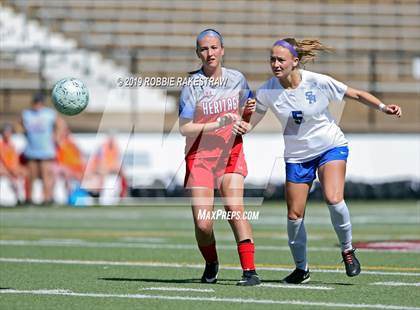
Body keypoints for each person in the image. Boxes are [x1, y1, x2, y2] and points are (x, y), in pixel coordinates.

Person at [233, 38, 402, 284]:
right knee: (294, 215)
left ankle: (347, 249)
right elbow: (250, 124)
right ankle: (302, 269)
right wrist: (241, 124)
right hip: (297, 157)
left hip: (330, 147)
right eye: (272, 59)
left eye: (281, 59)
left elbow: (355, 94)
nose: (276, 64)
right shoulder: (268, 91)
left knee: (333, 198)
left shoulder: (317, 81)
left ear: (295, 61)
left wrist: (383, 107)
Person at [178, 29, 260, 286]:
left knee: (234, 209)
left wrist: (247, 121)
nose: (209, 53)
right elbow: (184, 128)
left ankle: (250, 272)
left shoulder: (237, 79)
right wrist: (215, 124)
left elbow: (249, 111)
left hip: (230, 152)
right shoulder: (192, 86)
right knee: (203, 225)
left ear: (222, 50)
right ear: (198, 53)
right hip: (200, 156)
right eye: (204, 49)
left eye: (214, 47)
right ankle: (212, 263)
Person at [19, 92, 65, 205]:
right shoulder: (27, 114)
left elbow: (61, 125)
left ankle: (46, 198)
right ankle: (29, 199)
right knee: (31, 176)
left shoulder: (50, 114)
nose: (37, 105)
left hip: (46, 150)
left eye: (39, 102)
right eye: (35, 102)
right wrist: (23, 132)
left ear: (42, 103)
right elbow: (18, 125)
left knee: (46, 175)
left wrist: (57, 137)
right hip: (32, 150)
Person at [0, 123, 28, 205]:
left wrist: (15, 169)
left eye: (9, 132)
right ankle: (17, 196)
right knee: (11, 176)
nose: (7, 134)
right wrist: (9, 171)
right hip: (4, 169)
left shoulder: (12, 145)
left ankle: (26, 198)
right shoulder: (1, 145)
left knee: (26, 173)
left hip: (12, 168)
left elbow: (15, 161)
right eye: (6, 132)